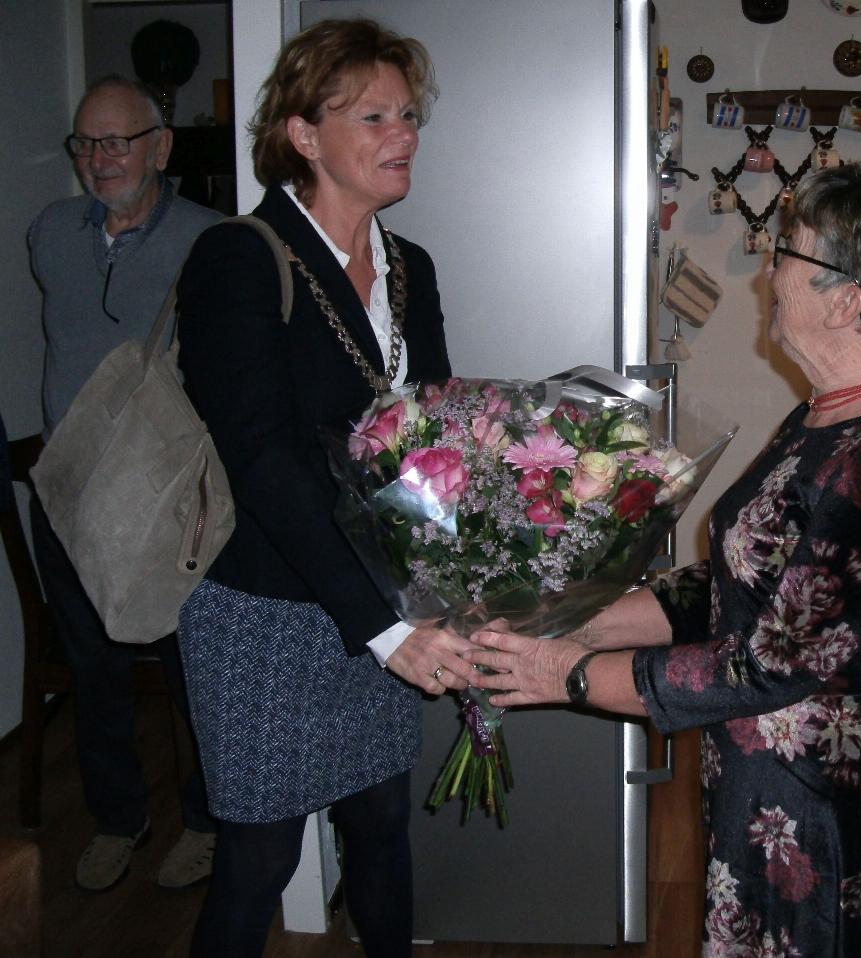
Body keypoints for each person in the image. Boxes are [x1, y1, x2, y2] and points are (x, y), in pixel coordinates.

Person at [469, 160, 861, 957]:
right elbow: (744, 582)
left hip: (836, 822)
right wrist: (577, 617)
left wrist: (568, 674)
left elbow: (771, 664)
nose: (768, 274)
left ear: (845, 301)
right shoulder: (830, 419)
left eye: (789, 253)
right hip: (772, 791)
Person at [174, 19, 477, 958]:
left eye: (409, 114)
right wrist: (386, 629)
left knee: (381, 824)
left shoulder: (411, 267)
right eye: (374, 116)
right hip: (267, 607)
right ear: (303, 135)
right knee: (257, 859)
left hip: (382, 601)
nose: (404, 134)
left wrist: (456, 580)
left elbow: (432, 439)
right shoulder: (239, 256)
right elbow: (262, 462)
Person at [27, 75, 220, 893]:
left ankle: (208, 821)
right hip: (67, 493)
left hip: (162, 502)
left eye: (118, 141)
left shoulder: (211, 241)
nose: (99, 159)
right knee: (94, 671)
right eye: (86, 143)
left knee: (191, 669)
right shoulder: (49, 234)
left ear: (160, 147)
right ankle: (118, 820)